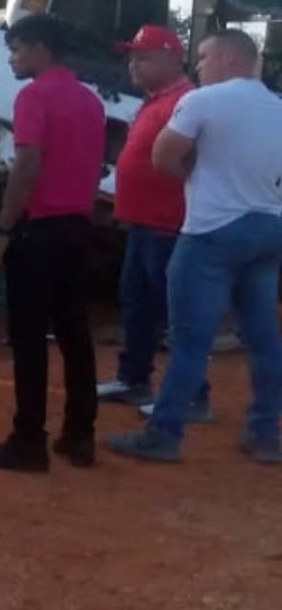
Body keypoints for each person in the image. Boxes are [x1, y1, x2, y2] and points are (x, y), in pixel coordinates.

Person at [109, 29, 282, 465]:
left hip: (211, 229)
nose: (198, 66)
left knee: (189, 339)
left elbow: (164, 155)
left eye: (203, 56)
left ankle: (164, 433)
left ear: (227, 58)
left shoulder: (204, 101)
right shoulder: (277, 108)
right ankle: (264, 433)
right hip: (266, 227)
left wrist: (196, 178)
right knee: (263, 337)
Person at [0, 12, 106, 473]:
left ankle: (28, 440)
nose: (12, 58)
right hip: (78, 227)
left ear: (42, 48)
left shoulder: (33, 96)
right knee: (74, 332)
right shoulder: (90, 101)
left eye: (19, 48)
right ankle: (79, 434)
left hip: (39, 228)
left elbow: (26, 166)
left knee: (28, 338)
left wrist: (4, 229)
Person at [97, 25, 211, 419]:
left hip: (170, 224)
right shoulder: (156, 100)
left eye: (143, 57)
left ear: (171, 59)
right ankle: (134, 378)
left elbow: (195, 163)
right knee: (137, 304)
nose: (133, 64)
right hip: (143, 222)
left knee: (176, 311)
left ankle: (194, 395)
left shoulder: (187, 101)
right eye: (132, 56)